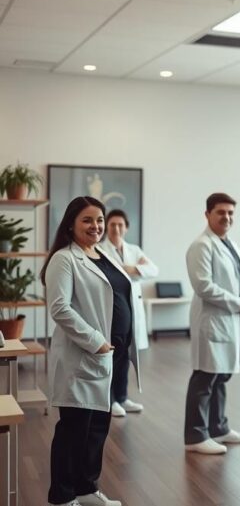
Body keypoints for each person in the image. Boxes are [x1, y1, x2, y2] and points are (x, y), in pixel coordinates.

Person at [42, 196, 128, 506]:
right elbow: (60, 308)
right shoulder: (65, 259)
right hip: (86, 354)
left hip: (110, 356)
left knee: (97, 430)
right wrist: (96, 341)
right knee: (74, 430)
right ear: (71, 224)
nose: (96, 226)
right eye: (88, 220)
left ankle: (87, 489)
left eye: (100, 220)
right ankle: (62, 496)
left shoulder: (102, 254)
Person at [183, 192, 240, 455]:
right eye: (221, 212)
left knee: (220, 376)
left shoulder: (230, 244)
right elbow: (204, 287)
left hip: (229, 319)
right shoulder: (201, 245)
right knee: (205, 376)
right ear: (207, 214)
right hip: (212, 320)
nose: (226, 217)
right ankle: (195, 436)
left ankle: (218, 428)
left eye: (230, 213)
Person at [102, 208, 158, 417]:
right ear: (106, 227)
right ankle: (111, 399)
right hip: (113, 311)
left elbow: (154, 270)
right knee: (113, 357)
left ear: (126, 228)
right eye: (112, 225)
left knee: (126, 356)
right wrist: (134, 269)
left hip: (131, 311)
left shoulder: (134, 249)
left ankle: (123, 397)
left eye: (120, 225)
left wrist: (126, 267)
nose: (116, 228)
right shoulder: (100, 250)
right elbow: (106, 275)